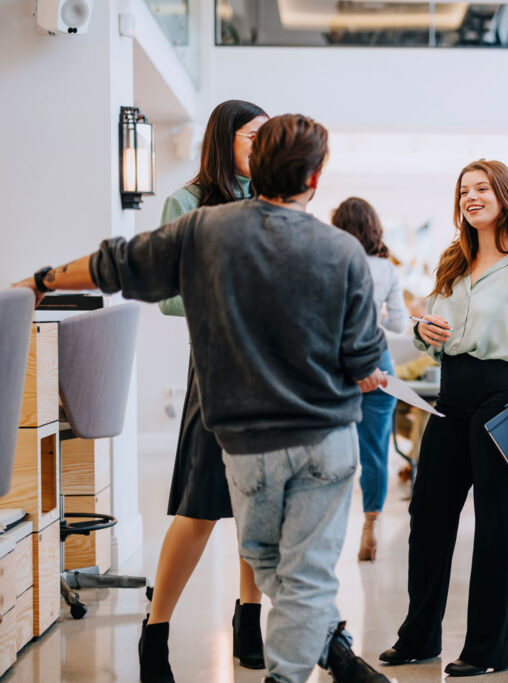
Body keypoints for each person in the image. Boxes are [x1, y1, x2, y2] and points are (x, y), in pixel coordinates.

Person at [16, 114, 392, 683]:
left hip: (248, 447)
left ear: (257, 164)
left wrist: (42, 281)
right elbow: (362, 358)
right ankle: (303, 662)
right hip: (324, 443)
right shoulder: (342, 251)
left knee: (273, 562)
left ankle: (315, 657)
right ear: (313, 178)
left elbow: (114, 263)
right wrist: (369, 375)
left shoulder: (204, 230)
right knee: (297, 572)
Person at [379, 159, 508, 677]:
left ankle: (487, 649)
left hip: (502, 397)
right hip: (451, 392)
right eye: (463, 191)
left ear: (504, 195)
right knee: (428, 515)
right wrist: (422, 331)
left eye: (481, 189)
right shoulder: (454, 262)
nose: (470, 198)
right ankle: (419, 637)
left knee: (499, 527)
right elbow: (429, 327)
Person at [137, 98, 269, 681]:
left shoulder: (270, 202)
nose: (262, 147)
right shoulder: (187, 203)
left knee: (258, 506)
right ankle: (155, 630)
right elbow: (165, 293)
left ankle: (248, 619)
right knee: (200, 507)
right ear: (224, 138)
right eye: (252, 136)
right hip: (217, 372)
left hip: (271, 377)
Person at [331, 197, 407, 561]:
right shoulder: (386, 269)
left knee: (334, 450)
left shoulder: (330, 261)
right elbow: (397, 324)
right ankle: (370, 526)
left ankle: (330, 530)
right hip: (380, 363)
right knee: (375, 453)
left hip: (337, 365)